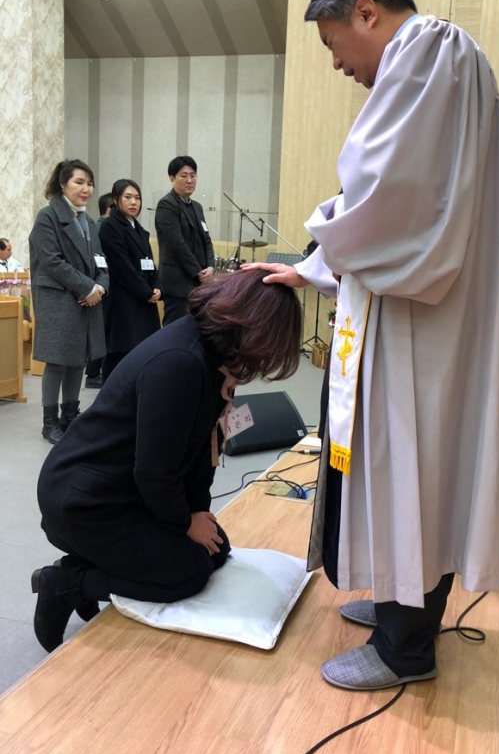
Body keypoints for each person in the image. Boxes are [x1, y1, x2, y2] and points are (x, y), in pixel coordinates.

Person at [245, 0, 499, 691]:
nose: (338, 65)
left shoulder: (432, 50)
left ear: (367, 11)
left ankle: (407, 647)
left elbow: (382, 192)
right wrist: (311, 268)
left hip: (424, 323)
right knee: (403, 464)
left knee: (413, 462)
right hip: (415, 308)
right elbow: (397, 205)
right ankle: (398, 600)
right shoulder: (441, 60)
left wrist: (321, 236)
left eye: (334, 44)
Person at [31, 269, 302, 653]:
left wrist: (197, 515)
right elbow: (155, 472)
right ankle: (66, 583)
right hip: (85, 501)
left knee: (216, 550)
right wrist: (184, 523)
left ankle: (92, 567)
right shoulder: (180, 362)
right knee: (188, 573)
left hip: (124, 489)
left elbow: (198, 453)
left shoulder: (213, 357)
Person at [29, 159, 109, 445]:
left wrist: (100, 286)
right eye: (79, 182)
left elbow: (101, 261)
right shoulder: (48, 216)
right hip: (59, 299)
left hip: (87, 299)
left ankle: (70, 416)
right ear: (63, 184)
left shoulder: (89, 222)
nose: (86, 189)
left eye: (90, 183)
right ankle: (49, 422)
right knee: (58, 361)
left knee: (78, 360)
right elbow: (52, 261)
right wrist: (87, 288)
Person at [98, 179, 161, 382]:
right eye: (128, 197)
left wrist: (158, 286)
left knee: (144, 353)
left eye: (137, 198)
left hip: (144, 300)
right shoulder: (110, 227)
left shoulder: (138, 229)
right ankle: (111, 397)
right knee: (120, 355)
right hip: (123, 302)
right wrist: (147, 291)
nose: (134, 202)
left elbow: (150, 263)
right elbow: (122, 267)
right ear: (116, 199)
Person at [155, 156, 215, 326]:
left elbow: (207, 240)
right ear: (172, 179)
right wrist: (199, 272)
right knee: (174, 329)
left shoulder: (197, 207)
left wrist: (211, 267)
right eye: (183, 176)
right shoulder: (166, 205)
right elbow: (177, 244)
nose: (189, 180)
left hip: (200, 283)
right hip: (178, 283)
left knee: (197, 328)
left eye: (193, 175)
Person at [84, 192, 114, 388]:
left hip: (102, 284)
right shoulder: (103, 228)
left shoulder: (96, 225)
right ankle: (93, 373)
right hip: (101, 286)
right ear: (110, 209)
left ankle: (94, 371)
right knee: (101, 330)